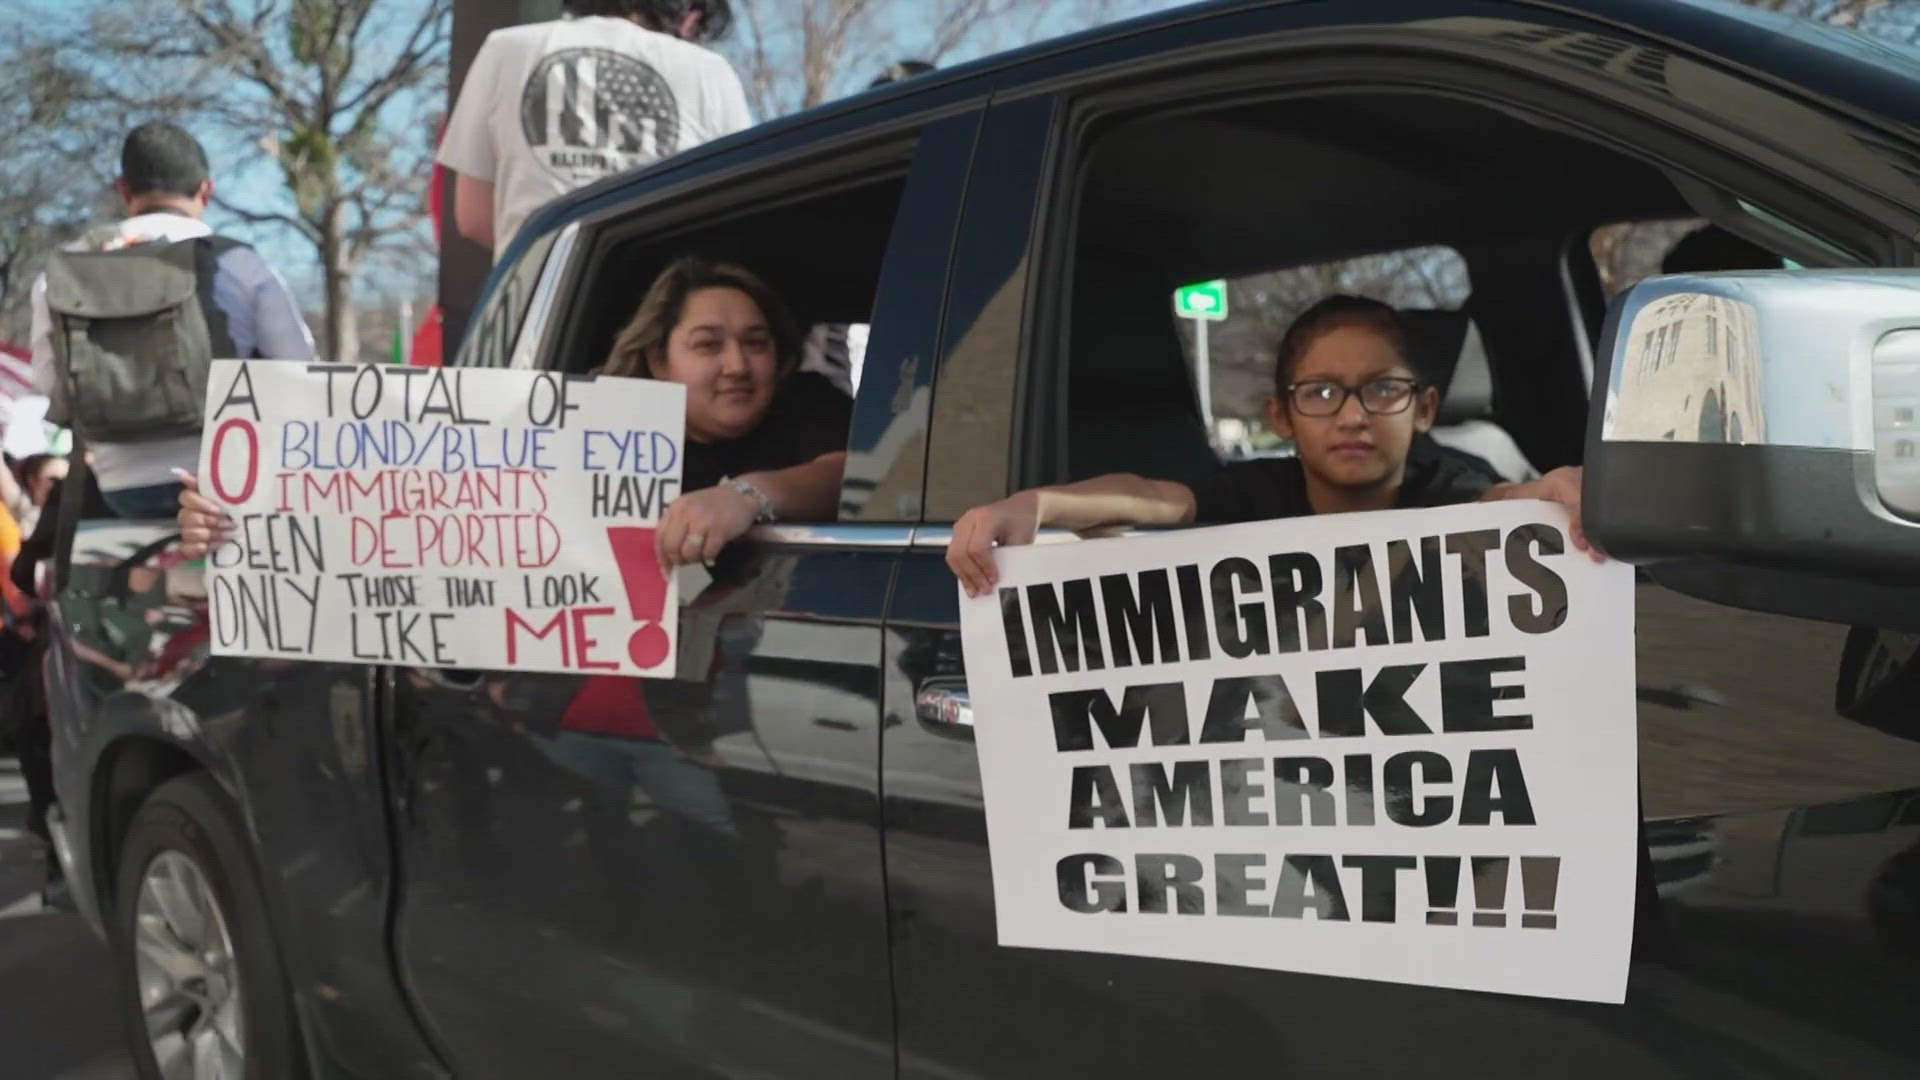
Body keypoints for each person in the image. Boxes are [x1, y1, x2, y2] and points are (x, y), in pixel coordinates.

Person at [947, 295, 1597, 596]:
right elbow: (1153, 500)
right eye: (1319, 393)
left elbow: (1499, 500)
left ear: (1425, 408)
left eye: (1382, 390)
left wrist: (1546, 494)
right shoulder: (1259, 493)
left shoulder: (1449, 484)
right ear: (1279, 416)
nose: (1351, 417)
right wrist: (1034, 506)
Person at [27, 121, 316, 519]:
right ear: (206, 190)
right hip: (227, 485)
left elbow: (47, 381)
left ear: (123, 189)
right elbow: (300, 373)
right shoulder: (239, 264)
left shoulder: (61, 272)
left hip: (121, 489)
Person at [439, 0, 752, 263]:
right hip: (663, 306)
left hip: (532, 309)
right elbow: (738, 212)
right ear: (690, 15)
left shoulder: (505, 49)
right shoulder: (708, 71)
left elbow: (473, 217)